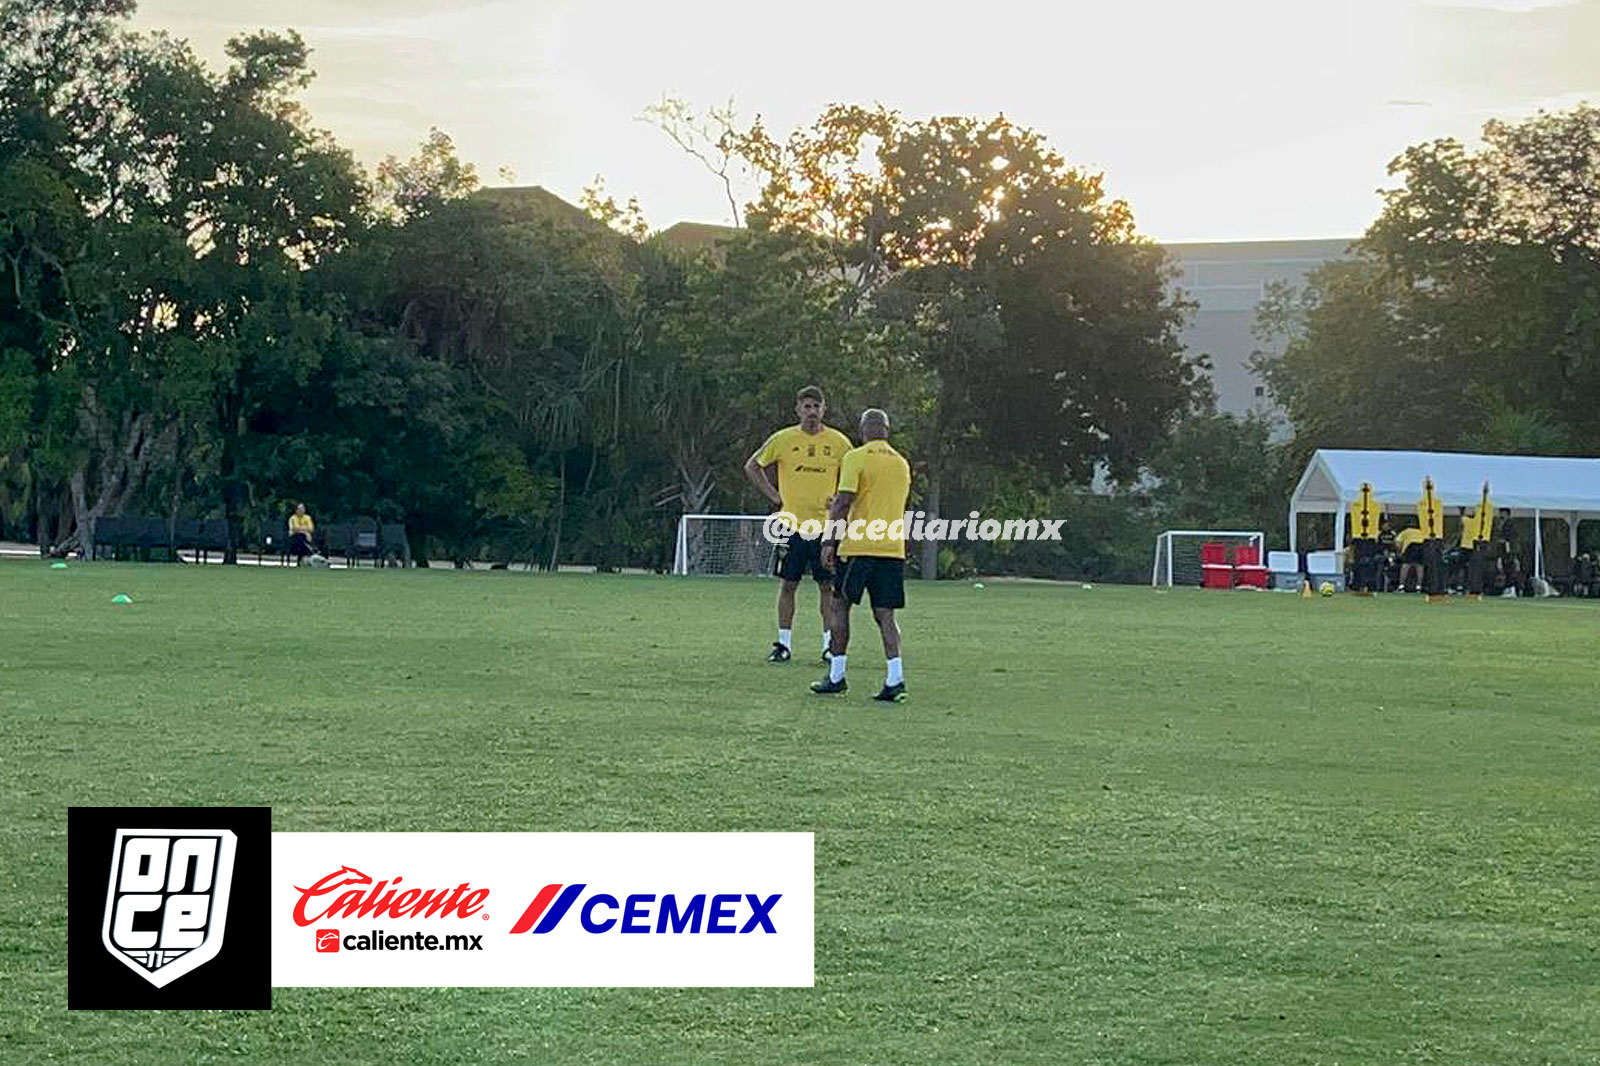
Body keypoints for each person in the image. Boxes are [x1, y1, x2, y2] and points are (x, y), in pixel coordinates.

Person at [744, 386, 854, 664]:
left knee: (827, 587)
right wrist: (774, 496)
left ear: (824, 409)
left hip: (825, 527)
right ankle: (783, 644)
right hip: (790, 525)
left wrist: (841, 499)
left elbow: (855, 475)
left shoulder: (839, 443)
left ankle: (829, 646)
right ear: (798, 409)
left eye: (817, 406)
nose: (812, 412)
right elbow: (752, 465)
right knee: (788, 584)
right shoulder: (783, 439)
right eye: (807, 406)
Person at [811, 408, 911, 703]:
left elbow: (843, 501)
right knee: (886, 616)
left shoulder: (856, 457)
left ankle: (836, 675)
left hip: (858, 547)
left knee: (839, 607)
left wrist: (830, 540)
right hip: (892, 548)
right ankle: (895, 679)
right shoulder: (902, 464)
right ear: (887, 431)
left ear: (863, 430)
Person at [1394, 524, 1424, 592]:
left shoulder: (1405, 531)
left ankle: (1401, 586)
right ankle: (1419, 587)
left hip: (1411, 546)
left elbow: (1397, 542)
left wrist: (1399, 552)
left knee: (1405, 566)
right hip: (1421, 546)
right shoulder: (1421, 531)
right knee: (1419, 566)